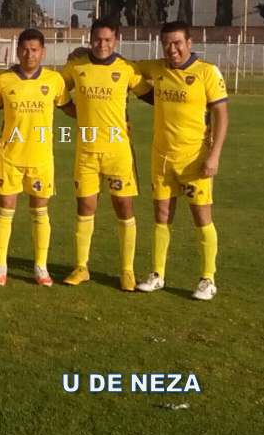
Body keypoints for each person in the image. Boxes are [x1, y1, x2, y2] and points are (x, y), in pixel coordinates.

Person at [134, 20, 228, 300]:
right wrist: (85, 54)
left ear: (189, 42)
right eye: (166, 43)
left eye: (176, 43)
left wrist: (214, 155)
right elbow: (125, 67)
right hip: (162, 157)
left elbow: (222, 116)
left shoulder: (206, 72)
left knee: (201, 217)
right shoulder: (157, 68)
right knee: (161, 216)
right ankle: (157, 274)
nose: (171, 49)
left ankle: (208, 279)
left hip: (194, 159)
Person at [59, 20, 146, 291]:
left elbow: (152, 95)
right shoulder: (76, 66)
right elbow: (57, 91)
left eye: (107, 40)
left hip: (118, 152)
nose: (102, 44)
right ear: (90, 38)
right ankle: (81, 267)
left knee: (124, 207)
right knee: (85, 207)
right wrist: (78, 114)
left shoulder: (127, 69)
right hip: (87, 151)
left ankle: (127, 270)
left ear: (116, 40)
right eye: (97, 39)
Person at [0, 28, 73, 286]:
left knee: (40, 211)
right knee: (5, 210)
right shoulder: (3, 80)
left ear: (43, 52)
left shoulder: (54, 80)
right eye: (24, 49)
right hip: (10, 157)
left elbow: (69, 108)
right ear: (17, 51)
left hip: (41, 158)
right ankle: (0, 266)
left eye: (34, 50)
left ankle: (41, 267)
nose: (29, 54)